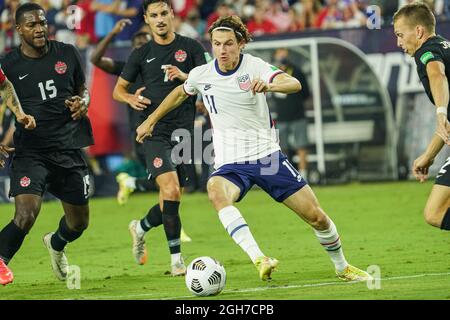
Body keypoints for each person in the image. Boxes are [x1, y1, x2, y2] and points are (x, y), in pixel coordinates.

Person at [136, 15, 371, 282]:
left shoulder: (255, 66)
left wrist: (270, 85)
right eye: (216, 44)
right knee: (216, 192)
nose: (222, 50)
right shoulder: (202, 74)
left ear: (241, 44)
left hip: (267, 158)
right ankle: (259, 258)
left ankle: (343, 268)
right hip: (231, 164)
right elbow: (180, 93)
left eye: (228, 44)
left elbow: (294, 84)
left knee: (317, 217)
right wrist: (151, 121)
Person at [0, 2, 94, 286]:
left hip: (68, 148)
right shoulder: (9, 64)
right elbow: (4, 92)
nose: (39, 29)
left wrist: (84, 103)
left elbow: (83, 89)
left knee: (78, 224)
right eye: (32, 24)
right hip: (31, 152)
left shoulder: (67, 53)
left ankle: (56, 242)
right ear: (19, 29)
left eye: (42, 22)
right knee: (26, 214)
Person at [113, 0, 209, 275]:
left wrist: (187, 77)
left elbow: (212, 79)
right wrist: (130, 98)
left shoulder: (191, 48)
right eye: (153, 15)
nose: (160, 19)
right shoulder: (141, 54)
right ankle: (177, 261)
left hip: (183, 132)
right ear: (146, 19)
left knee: (173, 195)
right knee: (170, 190)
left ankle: (140, 227)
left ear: (172, 14)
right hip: (152, 131)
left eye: (164, 13)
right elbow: (118, 90)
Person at [90, 18, 192, 242]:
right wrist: (112, 33)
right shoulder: (128, 69)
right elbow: (95, 59)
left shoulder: (165, 67)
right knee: (168, 186)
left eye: (144, 40)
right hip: (146, 135)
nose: (140, 44)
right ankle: (172, 229)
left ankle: (143, 216)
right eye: (136, 41)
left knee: (173, 190)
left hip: (173, 133)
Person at [393, 2, 450, 231]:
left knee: (435, 212)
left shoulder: (426, 52)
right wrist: (428, 155)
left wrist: (440, 111)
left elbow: (437, 75)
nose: (398, 42)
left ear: (418, 31)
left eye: (400, 34)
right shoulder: (444, 46)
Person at [270, 48, 310, 178]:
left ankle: (304, 175)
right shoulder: (272, 73)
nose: (282, 56)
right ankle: (288, 176)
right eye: (280, 54)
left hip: (298, 114)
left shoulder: (297, 71)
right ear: (275, 55)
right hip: (282, 116)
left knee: (301, 146)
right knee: (283, 149)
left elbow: (306, 93)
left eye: (285, 54)